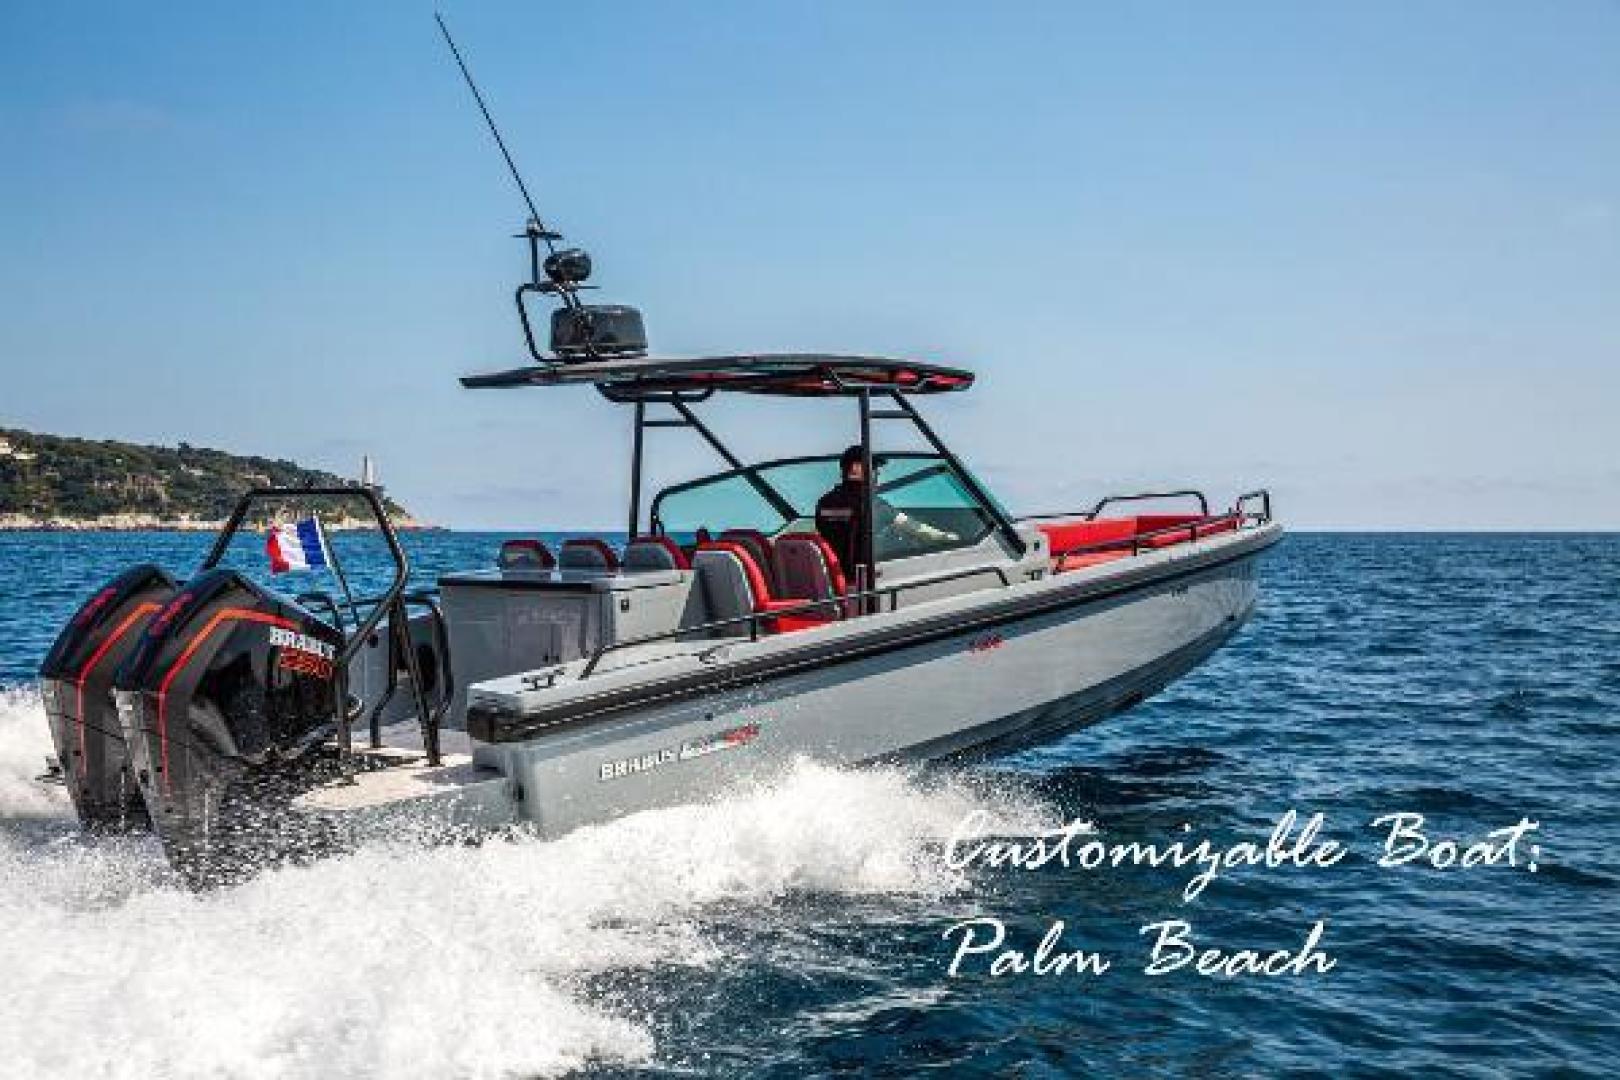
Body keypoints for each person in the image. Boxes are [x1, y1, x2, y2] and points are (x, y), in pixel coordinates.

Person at [815, 445, 958, 581]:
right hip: (860, 582)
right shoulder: (872, 504)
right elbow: (914, 528)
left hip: (832, 578)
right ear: (856, 469)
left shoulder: (824, 502)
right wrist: (946, 537)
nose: (877, 473)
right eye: (873, 467)